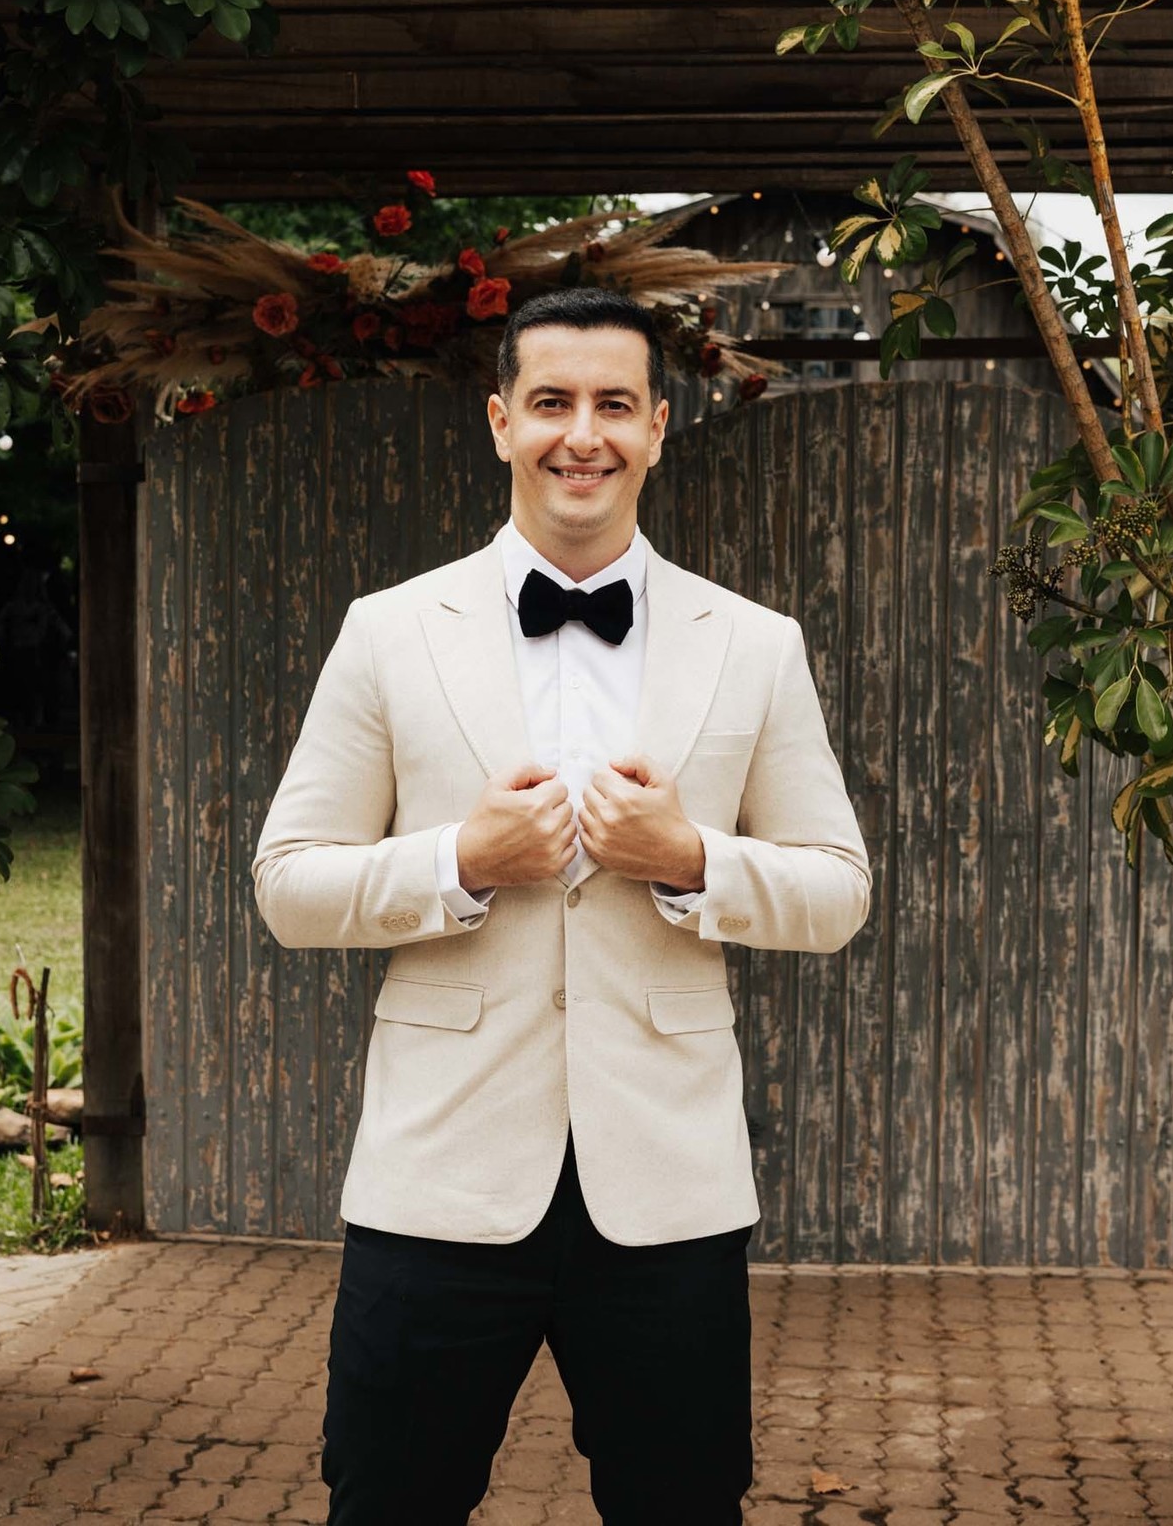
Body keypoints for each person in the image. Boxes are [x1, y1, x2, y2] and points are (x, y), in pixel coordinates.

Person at [251, 288, 872, 1525]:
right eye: (550, 402)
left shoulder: (755, 643)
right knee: (388, 1503)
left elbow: (839, 889)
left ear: (656, 429)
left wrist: (689, 858)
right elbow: (289, 882)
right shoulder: (389, 632)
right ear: (500, 422)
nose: (581, 435)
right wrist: (461, 863)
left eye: (613, 405)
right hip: (440, 1178)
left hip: (668, 1188)